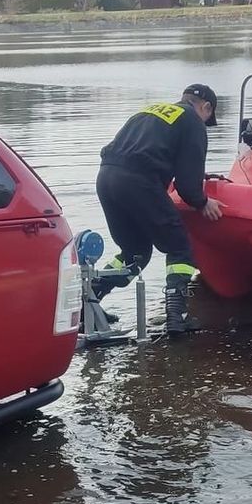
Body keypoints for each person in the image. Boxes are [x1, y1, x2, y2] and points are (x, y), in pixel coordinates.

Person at [91, 85, 226, 336]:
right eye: (209, 117)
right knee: (179, 249)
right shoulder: (193, 121)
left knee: (135, 253)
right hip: (138, 182)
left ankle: (88, 304)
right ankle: (177, 318)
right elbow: (187, 184)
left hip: (106, 178)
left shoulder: (150, 111)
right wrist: (202, 202)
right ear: (206, 107)